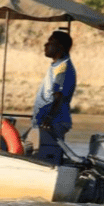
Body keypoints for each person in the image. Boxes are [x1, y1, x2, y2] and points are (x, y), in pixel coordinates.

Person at [30, 30, 76, 163]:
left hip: (52, 124)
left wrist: (49, 118)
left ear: (60, 47)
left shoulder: (63, 68)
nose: (45, 45)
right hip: (44, 122)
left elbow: (59, 95)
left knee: (44, 162)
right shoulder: (56, 66)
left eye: (50, 42)